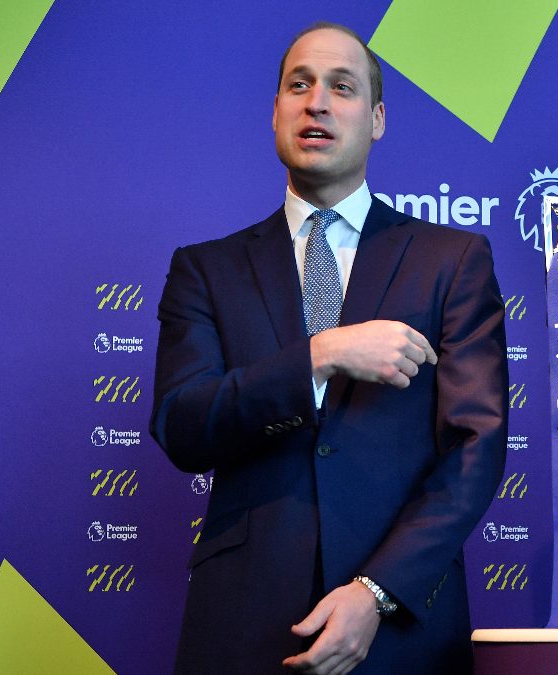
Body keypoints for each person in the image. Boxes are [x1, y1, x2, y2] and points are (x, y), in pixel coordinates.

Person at [150, 21, 508, 674]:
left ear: (377, 119)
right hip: (244, 626)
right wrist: (319, 356)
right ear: (275, 113)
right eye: (300, 85)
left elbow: (475, 448)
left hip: (403, 630)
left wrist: (377, 592)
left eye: (342, 87)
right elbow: (182, 425)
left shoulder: (451, 260)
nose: (317, 102)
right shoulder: (206, 269)